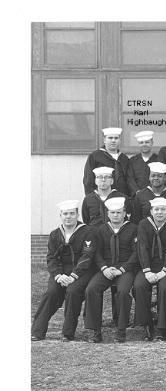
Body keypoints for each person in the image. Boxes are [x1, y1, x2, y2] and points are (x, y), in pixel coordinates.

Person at [31, 200, 96, 341]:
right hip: (61, 271)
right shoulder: (55, 234)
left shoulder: (88, 231)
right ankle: (37, 331)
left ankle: (68, 332)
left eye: (72, 213)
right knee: (51, 292)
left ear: (77, 215)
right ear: (60, 215)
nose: (68, 217)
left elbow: (87, 255)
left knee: (72, 292)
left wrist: (74, 275)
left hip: (83, 271)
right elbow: (51, 258)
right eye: (65, 214)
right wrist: (58, 275)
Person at [84, 197, 139, 343]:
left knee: (122, 291)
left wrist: (123, 269)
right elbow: (96, 252)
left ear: (125, 213)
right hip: (106, 268)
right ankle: (95, 330)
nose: (115, 215)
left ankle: (121, 328)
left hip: (124, 269)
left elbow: (136, 253)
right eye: (113, 212)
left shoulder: (133, 229)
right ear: (108, 214)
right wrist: (103, 267)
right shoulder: (101, 230)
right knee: (92, 289)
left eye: (119, 212)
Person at [133, 197, 166, 341]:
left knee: (165, 287)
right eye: (156, 209)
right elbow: (142, 248)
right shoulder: (143, 224)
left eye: (163, 209)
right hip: (148, 266)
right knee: (139, 286)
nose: (159, 212)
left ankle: (163, 327)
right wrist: (147, 271)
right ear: (151, 211)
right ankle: (147, 325)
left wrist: (164, 271)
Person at [83, 127, 130, 196]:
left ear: (120, 140)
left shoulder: (124, 158)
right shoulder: (95, 156)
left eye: (116, 138)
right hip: (102, 197)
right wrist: (92, 198)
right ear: (104, 140)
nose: (113, 141)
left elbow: (129, 179)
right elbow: (88, 180)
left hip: (121, 197)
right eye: (110, 138)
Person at [126, 130, 159, 195]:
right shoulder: (133, 160)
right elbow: (130, 179)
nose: (144, 145)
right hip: (136, 196)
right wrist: (137, 192)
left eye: (147, 142)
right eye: (141, 143)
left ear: (152, 142)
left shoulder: (158, 159)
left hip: (154, 195)